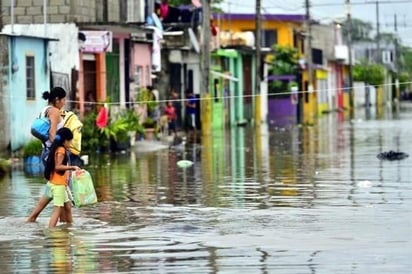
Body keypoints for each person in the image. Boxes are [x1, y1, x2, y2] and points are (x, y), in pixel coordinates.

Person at [26, 87, 68, 223]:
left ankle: (33, 219)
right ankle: (56, 225)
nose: (64, 102)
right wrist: (59, 149)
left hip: (45, 152)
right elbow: (52, 134)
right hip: (53, 154)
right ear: (57, 100)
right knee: (58, 188)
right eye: (63, 99)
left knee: (55, 189)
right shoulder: (55, 111)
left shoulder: (45, 110)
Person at [44, 127, 80, 228]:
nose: (70, 143)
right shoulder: (61, 150)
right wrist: (72, 167)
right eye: (70, 141)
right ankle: (51, 230)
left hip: (59, 184)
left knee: (68, 206)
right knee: (57, 210)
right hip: (58, 185)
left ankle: (69, 228)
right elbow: (57, 166)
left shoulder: (57, 148)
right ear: (64, 141)